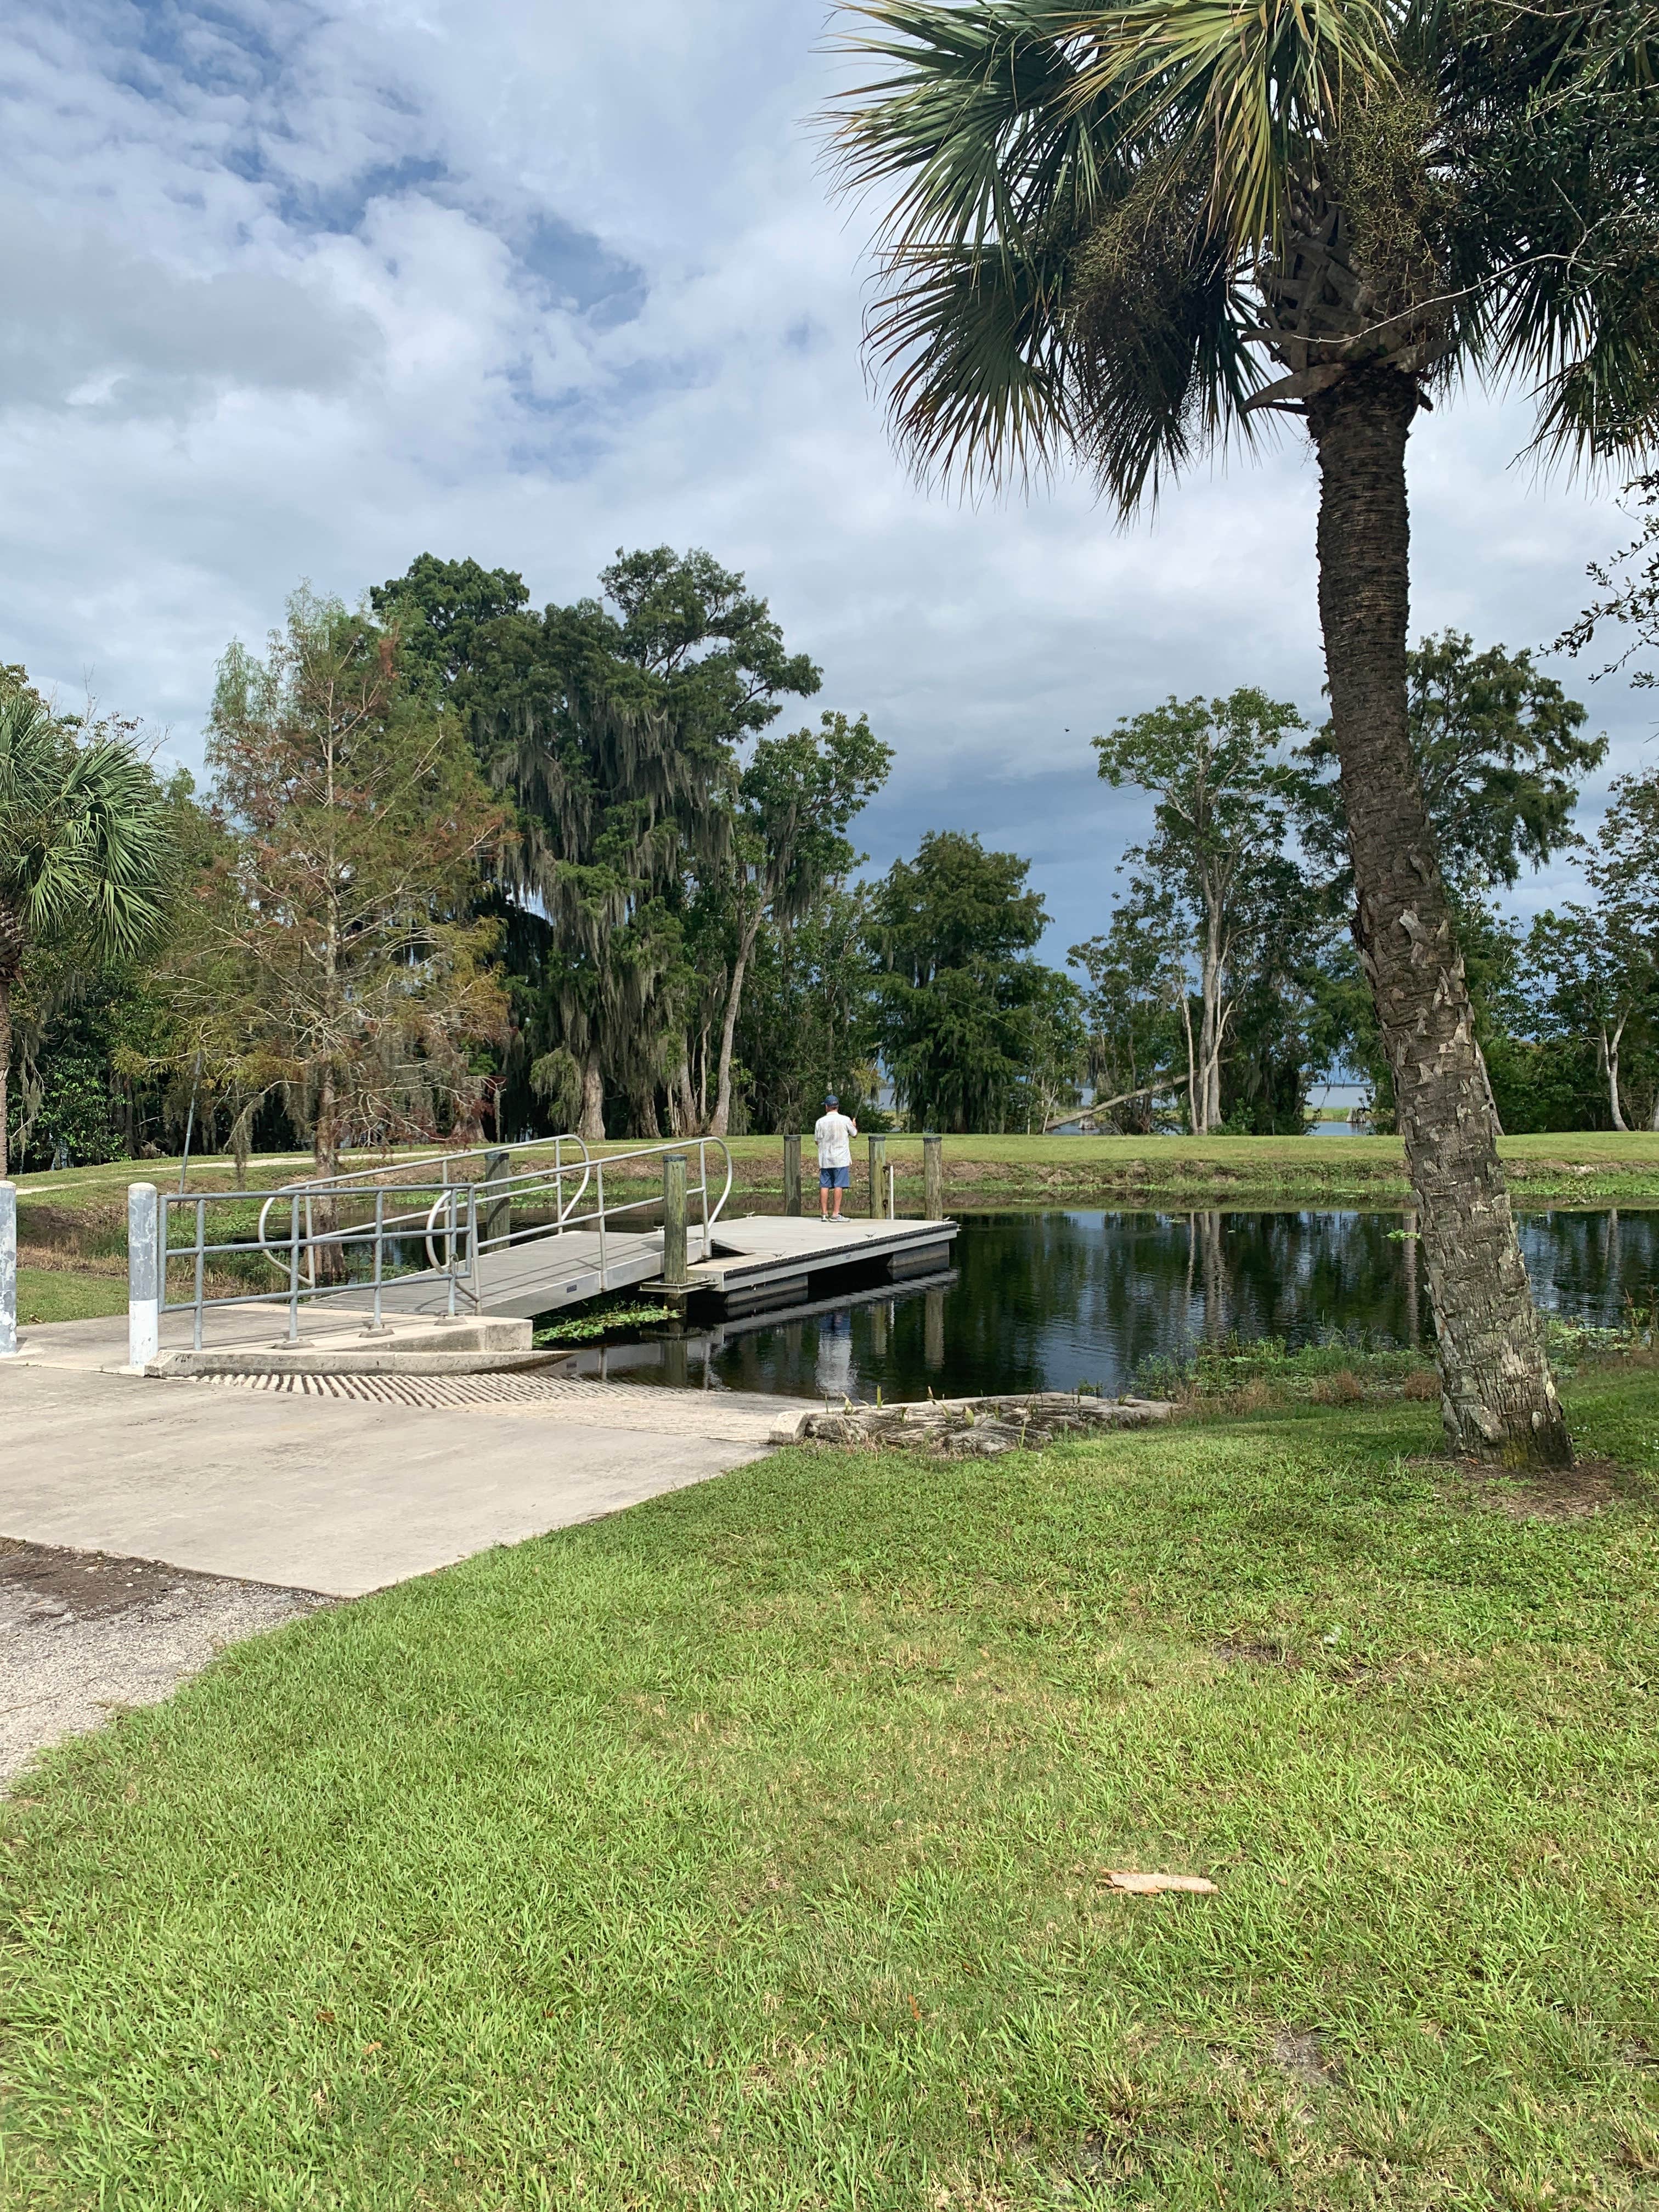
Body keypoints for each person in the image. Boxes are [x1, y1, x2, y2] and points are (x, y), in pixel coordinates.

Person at [814, 1091, 858, 1221]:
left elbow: (817, 1141)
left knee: (825, 1185)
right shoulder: (845, 1120)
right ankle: (836, 1214)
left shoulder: (820, 1122)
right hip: (841, 1159)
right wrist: (854, 1126)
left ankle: (824, 1214)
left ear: (827, 1107)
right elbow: (855, 1134)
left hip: (825, 1159)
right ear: (837, 1106)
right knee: (839, 1185)